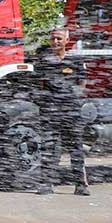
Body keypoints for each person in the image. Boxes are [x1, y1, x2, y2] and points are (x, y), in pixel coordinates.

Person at [33, 26, 90, 196]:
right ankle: (46, 184)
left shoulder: (76, 61)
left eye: (59, 38)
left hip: (71, 111)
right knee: (48, 147)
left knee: (76, 148)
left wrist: (73, 102)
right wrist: (46, 105)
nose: (56, 42)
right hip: (50, 111)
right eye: (53, 39)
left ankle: (81, 185)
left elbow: (82, 84)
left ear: (66, 41)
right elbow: (41, 86)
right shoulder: (44, 62)